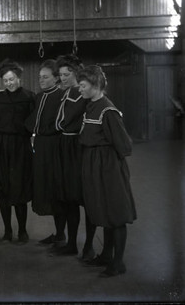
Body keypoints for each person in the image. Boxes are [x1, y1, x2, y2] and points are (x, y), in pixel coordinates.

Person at [78, 65, 137, 277]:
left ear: (95, 85)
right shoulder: (91, 105)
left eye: (83, 86)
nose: (80, 90)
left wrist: (107, 161)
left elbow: (124, 145)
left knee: (116, 213)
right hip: (94, 165)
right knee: (103, 210)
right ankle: (106, 255)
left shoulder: (108, 110)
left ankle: (118, 262)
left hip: (109, 168)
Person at [53, 54, 95, 259]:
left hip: (78, 146)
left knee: (86, 198)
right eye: (60, 75)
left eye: (67, 74)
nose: (63, 78)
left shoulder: (83, 94)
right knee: (69, 198)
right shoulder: (65, 93)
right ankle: (71, 243)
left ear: (77, 73)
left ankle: (89, 245)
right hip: (64, 145)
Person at [0, 59, 35, 243]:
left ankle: (22, 231)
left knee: (20, 188)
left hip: (21, 146)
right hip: (1, 145)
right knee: (4, 189)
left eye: (12, 79)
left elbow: (32, 123)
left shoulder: (30, 97)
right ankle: (7, 231)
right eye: (6, 80)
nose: (9, 83)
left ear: (18, 78)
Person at [25, 59, 65, 245]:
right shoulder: (39, 97)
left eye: (45, 77)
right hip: (40, 146)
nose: (41, 80)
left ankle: (62, 235)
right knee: (46, 189)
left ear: (56, 78)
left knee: (56, 190)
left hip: (54, 147)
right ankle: (58, 233)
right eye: (40, 77)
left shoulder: (61, 96)